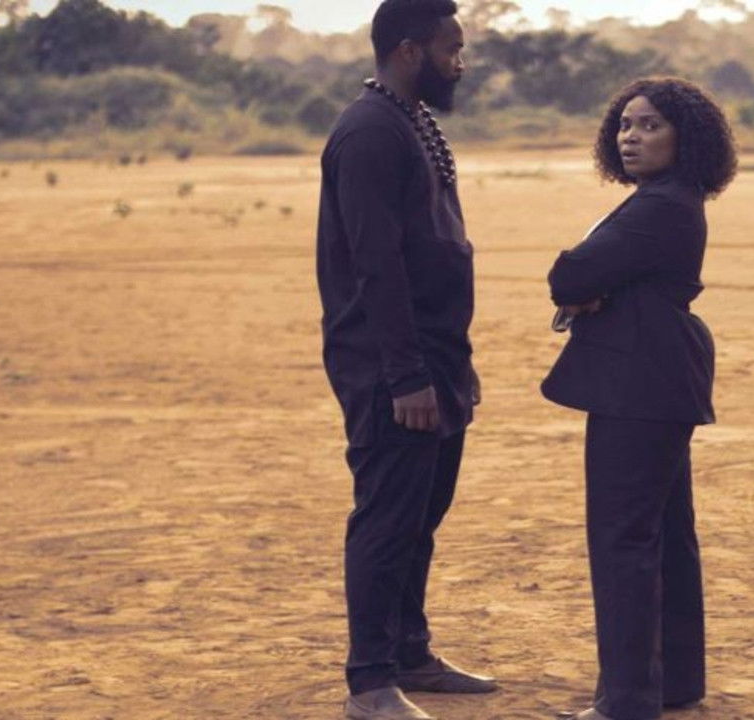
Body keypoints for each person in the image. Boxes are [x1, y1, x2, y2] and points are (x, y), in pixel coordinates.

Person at [315, 1, 496, 718]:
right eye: (453, 48)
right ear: (411, 50)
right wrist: (407, 375)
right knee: (388, 519)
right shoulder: (368, 132)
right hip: (390, 366)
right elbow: (376, 265)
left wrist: (453, 363)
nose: (461, 62)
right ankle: (370, 682)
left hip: (436, 358)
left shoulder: (410, 120)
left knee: (423, 514)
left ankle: (411, 654)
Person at [542, 77, 738, 720]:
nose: (631, 137)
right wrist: (600, 287)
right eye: (626, 124)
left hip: (639, 382)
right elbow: (589, 278)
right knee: (666, 534)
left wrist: (592, 289)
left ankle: (626, 699)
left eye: (651, 125)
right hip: (659, 376)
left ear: (687, 138)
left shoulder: (660, 206)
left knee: (623, 538)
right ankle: (673, 682)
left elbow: (569, 274)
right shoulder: (668, 198)